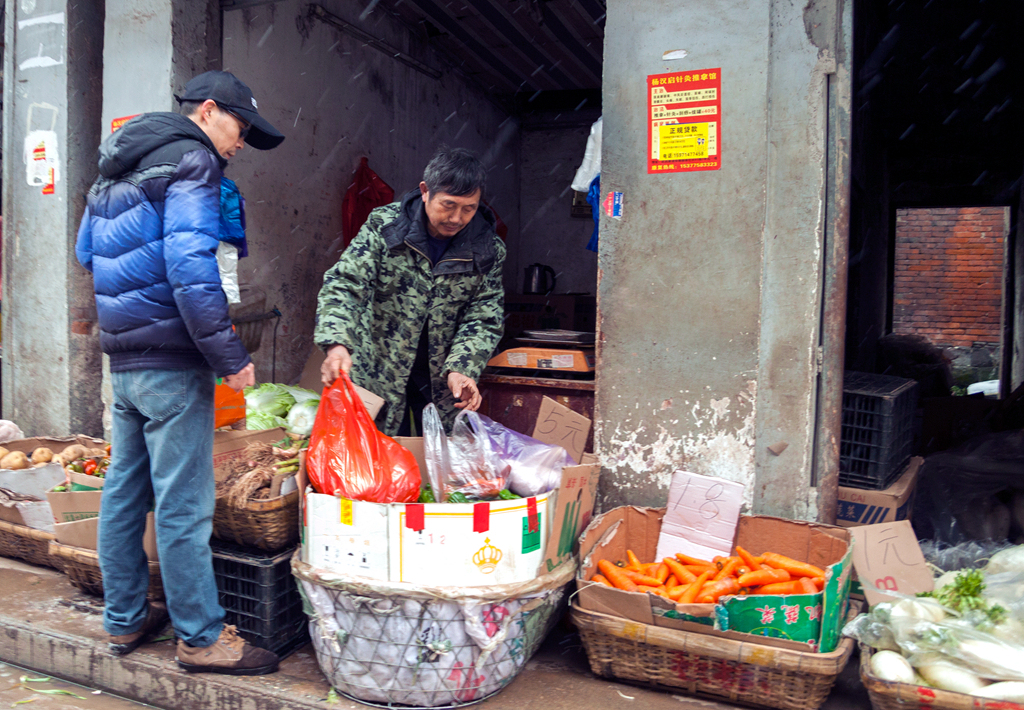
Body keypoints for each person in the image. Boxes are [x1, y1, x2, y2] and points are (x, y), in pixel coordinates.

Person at [75, 71, 284, 675]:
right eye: (240, 128)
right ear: (209, 111)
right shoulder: (192, 162)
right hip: (171, 360)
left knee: (124, 492)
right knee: (183, 505)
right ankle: (199, 636)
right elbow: (191, 269)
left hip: (126, 360)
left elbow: (90, 254)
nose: (240, 143)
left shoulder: (115, 167)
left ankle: (125, 618)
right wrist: (231, 358)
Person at [315, 147, 505, 436]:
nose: (456, 218)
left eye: (469, 208)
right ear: (425, 191)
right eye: (448, 205)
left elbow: (484, 316)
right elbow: (346, 283)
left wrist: (463, 368)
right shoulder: (385, 227)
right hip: (380, 366)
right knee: (374, 454)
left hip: (443, 378)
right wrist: (337, 343)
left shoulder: (487, 250)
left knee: (441, 460)